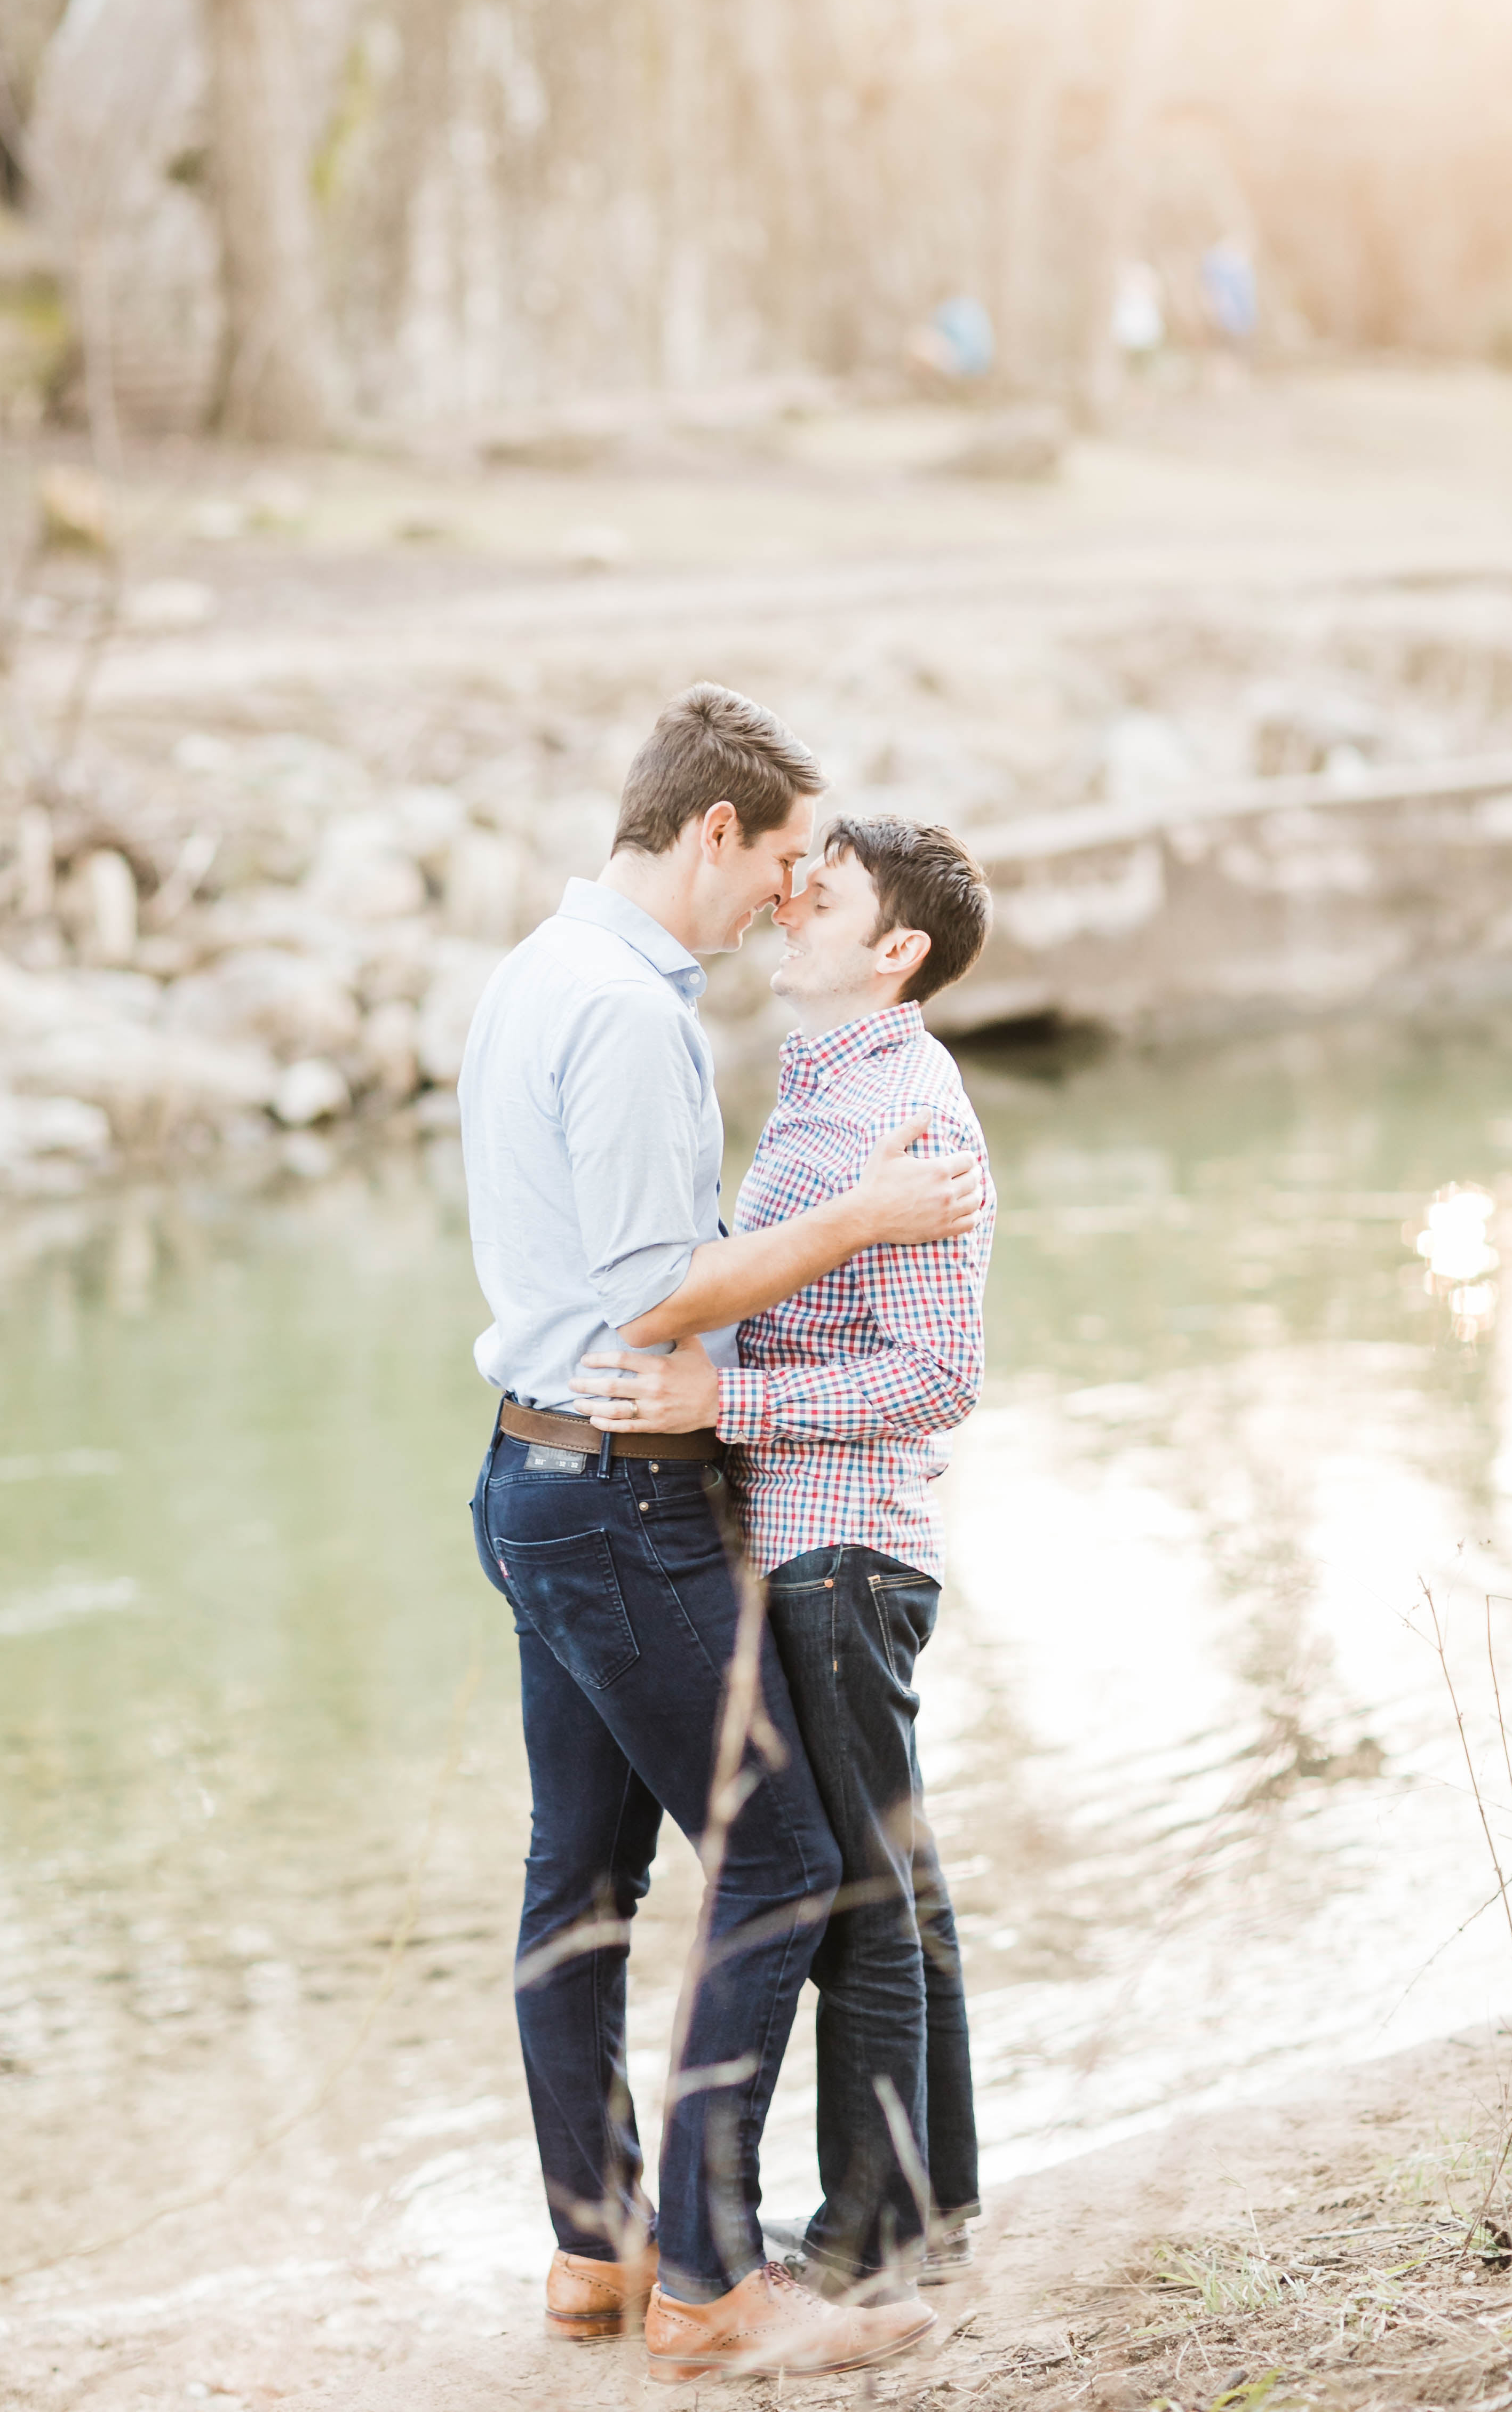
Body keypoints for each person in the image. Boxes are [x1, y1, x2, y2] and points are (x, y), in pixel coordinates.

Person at [457, 686, 981, 2385]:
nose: (782, 892)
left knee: (581, 1878)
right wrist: (863, 1217)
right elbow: (659, 1298)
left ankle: (596, 2251)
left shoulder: (538, 974)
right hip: (614, 1493)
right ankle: (709, 2283)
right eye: (779, 861)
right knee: (779, 1865)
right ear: (712, 834)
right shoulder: (624, 1014)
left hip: (535, 1477)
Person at [573, 813, 994, 2300]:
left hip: (843, 1563)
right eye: (796, 882)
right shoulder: (830, 1089)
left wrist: (718, 1401)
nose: (793, 904)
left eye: (830, 898)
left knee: (857, 1906)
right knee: (899, 1883)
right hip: (823, 1553)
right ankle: (932, 2206)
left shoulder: (907, 1115)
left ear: (899, 954)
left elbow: (941, 1375)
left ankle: (866, 2243)